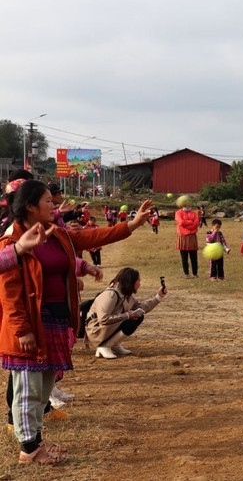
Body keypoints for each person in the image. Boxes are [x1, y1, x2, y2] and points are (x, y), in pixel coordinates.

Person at [0, 180, 152, 465]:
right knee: (27, 388)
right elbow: (9, 293)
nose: (54, 205)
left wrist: (132, 224)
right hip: (31, 323)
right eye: (47, 200)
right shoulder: (12, 242)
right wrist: (22, 330)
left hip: (55, 320)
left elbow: (96, 238)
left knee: (44, 388)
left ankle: (37, 440)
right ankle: (28, 449)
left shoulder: (56, 234)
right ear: (30, 206)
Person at [86, 268, 167, 359]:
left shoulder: (126, 295)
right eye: (138, 280)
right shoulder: (110, 295)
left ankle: (113, 343)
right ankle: (104, 346)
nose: (140, 284)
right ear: (131, 281)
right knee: (130, 320)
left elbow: (141, 307)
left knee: (138, 316)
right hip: (97, 331)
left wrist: (158, 297)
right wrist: (127, 315)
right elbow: (103, 319)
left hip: (107, 328)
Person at [175, 201, 201, 279]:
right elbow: (181, 222)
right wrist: (190, 222)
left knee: (194, 257)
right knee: (184, 257)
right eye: (186, 205)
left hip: (192, 236)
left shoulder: (194, 213)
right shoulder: (178, 213)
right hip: (183, 236)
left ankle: (195, 273)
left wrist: (187, 224)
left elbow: (196, 223)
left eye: (189, 205)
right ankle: (186, 274)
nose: (188, 206)